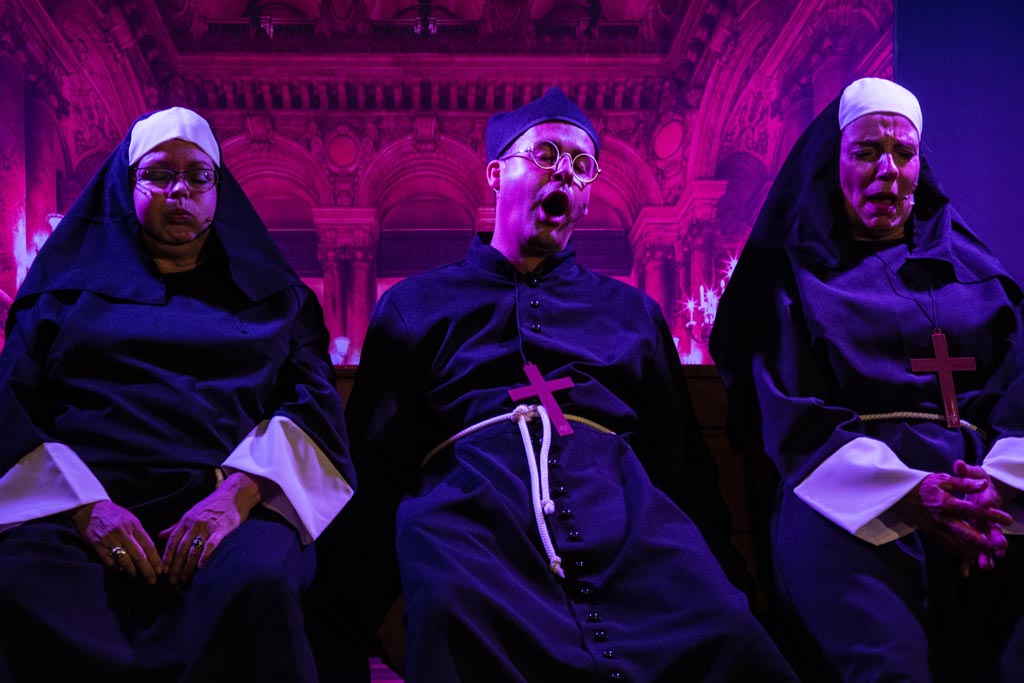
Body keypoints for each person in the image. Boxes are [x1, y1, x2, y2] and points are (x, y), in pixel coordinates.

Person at [332, 87, 797, 682]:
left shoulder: (632, 314)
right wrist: (359, 608)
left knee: (727, 632)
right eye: (547, 155)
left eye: (582, 165)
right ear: (496, 174)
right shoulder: (414, 306)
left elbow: (680, 463)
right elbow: (374, 465)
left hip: (627, 527)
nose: (566, 174)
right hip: (472, 531)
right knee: (453, 614)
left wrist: (728, 579)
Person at [0, 107, 354, 682]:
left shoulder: (279, 301)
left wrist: (235, 498)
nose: (179, 191)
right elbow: (14, 408)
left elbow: (313, 407)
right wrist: (87, 509)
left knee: (258, 583)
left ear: (218, 190)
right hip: (81, 510)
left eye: (197, 176)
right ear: (127, 184)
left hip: (231, 506)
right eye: (159, 174)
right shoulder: (59, 299)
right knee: (20, 580)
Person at [710, 77, 1024, 683]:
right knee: (889, 668)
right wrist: (911, 493)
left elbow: (1020, 389)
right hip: (846, 503)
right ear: (835, 163)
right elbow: (793, 412)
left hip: (988, 497)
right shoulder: (790, 279)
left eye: (904, 153)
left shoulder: (979, 275)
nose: (888, 170)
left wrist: (997, 485)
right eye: (866, 152)